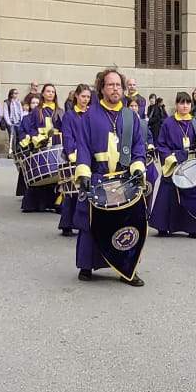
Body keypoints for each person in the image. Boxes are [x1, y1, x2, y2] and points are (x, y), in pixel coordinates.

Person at [65, 67, 150, 285]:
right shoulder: (90, 115)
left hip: (124, 179)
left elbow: (139, 145)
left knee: (127, 223)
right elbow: (82, 146)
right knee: (91, 223)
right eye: (110, 84)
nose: (115, 89)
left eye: (118, 85)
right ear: (101, 88)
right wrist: (83, 172)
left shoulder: (131, 116)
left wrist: (138, 167)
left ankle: (127, 269)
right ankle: (87, 265)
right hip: (98, 178)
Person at [151, 93, 196, 239]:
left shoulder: (195, 124)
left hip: (190, 166)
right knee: (168, 194)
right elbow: (162, 145)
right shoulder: (168, 123)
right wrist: (174, 157)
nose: (185, 106)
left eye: (188, 103)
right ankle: (163, 226)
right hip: (174, 164)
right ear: (176, 105)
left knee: (192, 194)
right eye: (181, 103)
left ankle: (193, 228)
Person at [16, 92, 64, 214]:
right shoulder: (33, 114)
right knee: (39, 174)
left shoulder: (58, 111)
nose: (50, 94)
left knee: (53, 174)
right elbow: (28, 129)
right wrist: (34, 139)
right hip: (37, 144)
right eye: (48, 91)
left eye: (53, 92)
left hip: (54, 143)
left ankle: (53, 202)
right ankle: (35, 204)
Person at [58, 83, 94, 237]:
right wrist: (72, 152)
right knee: (71, 192)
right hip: (74, 154)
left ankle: (84, 222)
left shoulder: (92, 114)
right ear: (76, 97)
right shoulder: (69, 115)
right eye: (83, 96)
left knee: (86, 190)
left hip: (88, 155)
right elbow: (67, 136)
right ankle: (67, 223)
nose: (85, 99)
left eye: (88, 97)